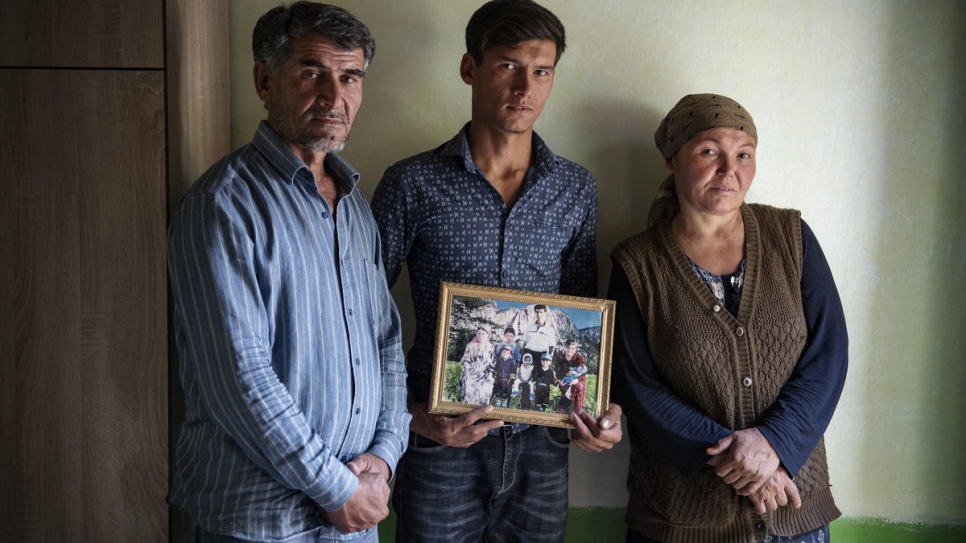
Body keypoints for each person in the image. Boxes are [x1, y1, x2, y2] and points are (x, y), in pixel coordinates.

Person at [370, 1, 622, 540]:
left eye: (542, 71)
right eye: (508, 65)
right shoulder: (411, 183)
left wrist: (596, 410)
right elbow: (358, 317)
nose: (524, 87)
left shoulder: (575, 190)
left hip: (542, 449)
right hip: (439, 441)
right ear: (470, 69)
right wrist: (410, 416)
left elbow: (579, 321)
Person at [166, 3, 410, 542]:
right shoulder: (223, 204)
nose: (333, 95)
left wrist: (385, 456)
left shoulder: (354, 206)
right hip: (258, 521)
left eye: (349, 77)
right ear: (263, 79)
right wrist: (335, 488)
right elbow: (238, 376)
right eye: (311, 72)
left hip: (354, 513)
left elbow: (385, 343)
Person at [609, 94, 848, 543]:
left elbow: (828, 356)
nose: (729, 170)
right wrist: (741, 459)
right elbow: (635, 386)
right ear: (671, 160)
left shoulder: (791, 237)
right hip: (681, 521)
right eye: (708, 152)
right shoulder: (636, 264)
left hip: (792, 508)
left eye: (743, 155)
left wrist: (774, 444)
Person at [460, 326, 496, 405]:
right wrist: (467, 372)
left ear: (487, 335)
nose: (481, 335)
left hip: (484, 372)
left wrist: (490, 375)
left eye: (483, 334)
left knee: (486, 386)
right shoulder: (471, 345)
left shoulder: (491, 347)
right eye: (479, 333)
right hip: (472, 371)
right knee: (468, 384)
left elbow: (493, 363)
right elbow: (466, 360)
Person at [553, 340, 588, 414]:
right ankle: (564, 404)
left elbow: (583, 372)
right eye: (568, 348)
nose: (570, 350)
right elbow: (558, 372)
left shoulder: (579, 358)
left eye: (572, 349)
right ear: (564, 347)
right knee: (565, 386)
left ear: (575, 349)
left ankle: (576, 407)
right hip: (565, 379)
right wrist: (565, 374)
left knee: (577, 387)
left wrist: (577, 380)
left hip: (577, 380)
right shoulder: (560, 358)